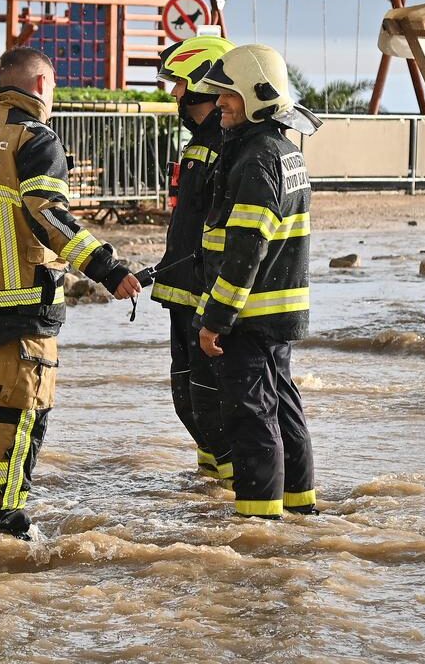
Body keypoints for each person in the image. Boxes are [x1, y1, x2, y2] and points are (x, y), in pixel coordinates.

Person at [0, 46, 141, 539]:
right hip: (21, 302)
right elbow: (47, 214)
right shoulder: (35, 138)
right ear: (42, 85)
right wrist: (107, 269)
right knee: (22, 415)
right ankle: (5, 525)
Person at [194, 44, 321, 519]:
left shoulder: (256, 160)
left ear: (256, 95)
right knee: (284, 408)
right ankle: (299, 507)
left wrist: (216, 319)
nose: (220, 103)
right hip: (277, 312)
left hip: (248, 314)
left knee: (251, 418)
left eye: (228, 95)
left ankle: (258, 523)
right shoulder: (285, 152)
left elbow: (246, 249)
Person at [152, 34, 237, 485]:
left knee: (208, 401)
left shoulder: (227, 144)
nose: (175, 94)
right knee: (187, 400)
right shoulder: (201, 142)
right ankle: (208, 493)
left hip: (207, 296)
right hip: (181, 287)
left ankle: (231, 496)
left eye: (180, 84)